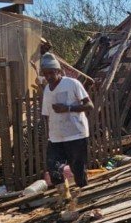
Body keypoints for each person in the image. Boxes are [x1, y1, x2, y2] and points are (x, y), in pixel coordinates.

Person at [39, 52, 93, 202]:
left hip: (76, 134)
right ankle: (64, 197)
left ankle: (84, 196)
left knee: (78, 168)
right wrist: (47, 133)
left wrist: (68, 108)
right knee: (53, 167)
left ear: (58, 71)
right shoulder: (47, 91)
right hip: (56, 137)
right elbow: (46, 115)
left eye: (51, 72)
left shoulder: (72, 83)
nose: (49, 76)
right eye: (46, 73)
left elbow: (89, 105)